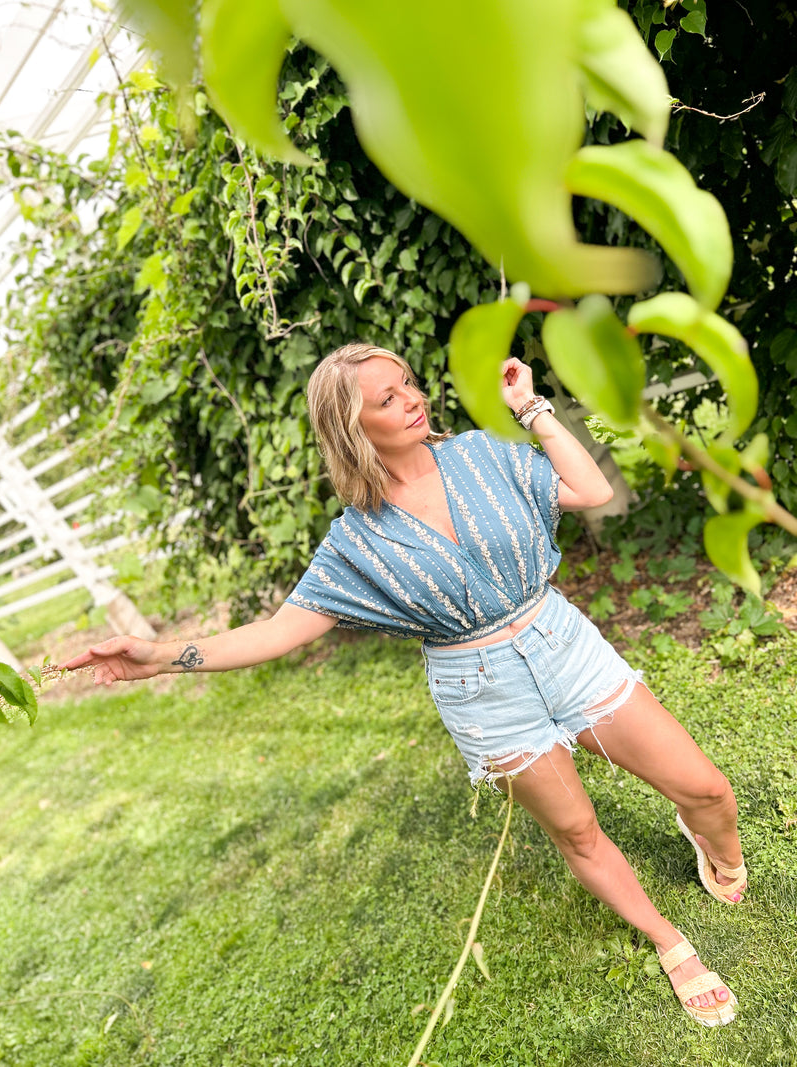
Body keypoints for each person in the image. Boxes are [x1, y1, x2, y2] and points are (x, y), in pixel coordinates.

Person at [65, 342, 747, 1027]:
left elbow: (592, 491)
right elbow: (274, 633)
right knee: (577, 830)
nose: (414, 400)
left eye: (409, 385)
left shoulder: (483, 455)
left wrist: (530, 407)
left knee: (707, 787)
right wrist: (159, 656)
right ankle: (670, 941)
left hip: (561, 643)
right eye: (388, 399)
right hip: (482, 690)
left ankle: (713, 845)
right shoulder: (356, 542)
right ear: (353, 429)